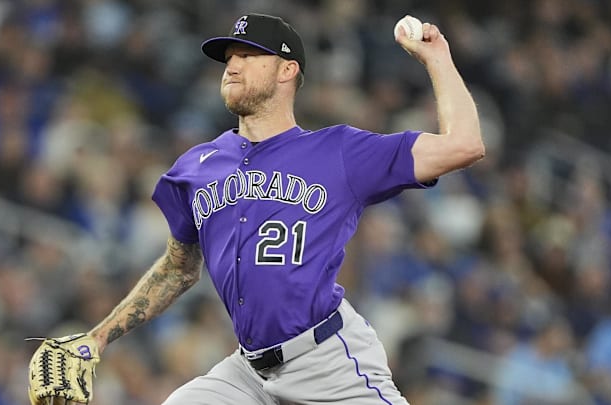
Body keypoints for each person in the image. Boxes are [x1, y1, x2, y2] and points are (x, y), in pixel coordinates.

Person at [84, 12, 482, 404]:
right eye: (229, 58)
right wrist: (95, 339)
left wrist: (437, 58)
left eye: (248, 55)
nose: (232, 66)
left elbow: (465, 145)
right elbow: (178, 269)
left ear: (287, 70)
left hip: (326, 360)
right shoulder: (195, 168)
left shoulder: (339, 152)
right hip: (248, 371)